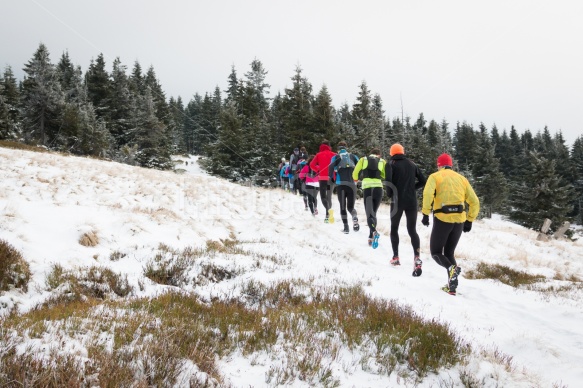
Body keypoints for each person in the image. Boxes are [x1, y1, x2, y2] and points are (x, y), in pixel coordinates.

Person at [421, 153, 480, 295]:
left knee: (436, 252)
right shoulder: (462, 179)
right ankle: (451, 286)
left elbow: (428, 195)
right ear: (451, 165)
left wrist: (425, 213)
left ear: (439, 165)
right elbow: (475, 202)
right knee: (449, 253)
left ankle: (451, 269)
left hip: (442, 219)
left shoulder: (435, 177)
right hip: (459, 220)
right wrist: (470, 220)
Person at [386, 143, 427, 276]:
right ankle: (416, 257)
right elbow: (423, 180)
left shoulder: (390, 164)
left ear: (392, 152)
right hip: (411, 201)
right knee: (412, 230)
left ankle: (396, 257)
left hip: (397, 200)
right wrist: (412, 188)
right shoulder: (412, 164)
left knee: (394, 228)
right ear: (402, 152)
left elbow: (388, 182)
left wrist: (390, 194)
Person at [352, 148, 388, 247]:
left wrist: (355, 180)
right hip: (378, 189)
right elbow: (385, 175)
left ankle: (374, 232)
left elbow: (355, 172)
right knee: (374, 213)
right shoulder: (382, 161)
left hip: (367, 188)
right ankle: (371, 237)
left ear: (370, 154)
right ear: (379, 155)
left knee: (369, 214)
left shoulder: (363, 159)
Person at [329, 141, 360, 233]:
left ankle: (346, 228)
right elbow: (359, 167)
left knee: (342, 207)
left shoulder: (335, 157)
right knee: (350, 207)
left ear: (338, 149)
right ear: (346, 148)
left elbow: (330, 169)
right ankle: (354, 217)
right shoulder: (353, 156)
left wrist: (331, 179)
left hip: (341, 185)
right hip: (352, 185)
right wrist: (357, 179)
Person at [310, 140, 337, 223]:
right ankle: (327, 216)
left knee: (323, 197)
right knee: (329, 197)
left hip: (322, 178)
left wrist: (318, 169)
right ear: (329, 146)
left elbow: (311, 165)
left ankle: (328, 212)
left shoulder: (318, 155)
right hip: (331, 179)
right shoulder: (334, 155)